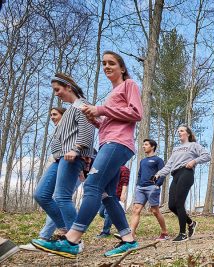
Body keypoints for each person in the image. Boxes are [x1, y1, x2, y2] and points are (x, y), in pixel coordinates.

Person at [32, 51, 143, 258]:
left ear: (122, 68)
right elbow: (111, 122)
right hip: (108, 141)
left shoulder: (130, 85)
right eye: (104, 64)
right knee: (107, 195)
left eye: (112, 63)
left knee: (92, 186)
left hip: (118, 143)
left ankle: (72, 240)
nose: (107, 67)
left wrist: (100, 109)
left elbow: (137, 113)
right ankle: (128, 239)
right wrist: (96, 121)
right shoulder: (112, 93)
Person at [32, 74, 95, 242]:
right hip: (59, 159)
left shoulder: (82, 105)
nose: (56, 94)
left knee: (62, 197)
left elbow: (88, 131)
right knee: (41, 194)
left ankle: (75, 241)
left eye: (57, 89)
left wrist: (77, 149)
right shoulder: (68, 111)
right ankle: (65, 230)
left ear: (68, 87)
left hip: (71, 158)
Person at [154, 126, 210, 242]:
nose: (179, 132)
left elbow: (207, 156)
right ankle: (191, 223)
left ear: (188, 134)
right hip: (175, 174)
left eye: (182, 130)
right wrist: (158, 174)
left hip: (186, 172)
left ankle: (182, 233)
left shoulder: (194, 145)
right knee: (171, 205)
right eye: (178, 131)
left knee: (179, 202)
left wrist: (194, 161)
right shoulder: (176, 149)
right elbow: (169, 165)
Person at [130, 139, 169, 241]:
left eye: (146, 145)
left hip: (152, 187)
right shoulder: (142, 161)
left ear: (152, 147)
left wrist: (157, 185)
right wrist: (138, 185)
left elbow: (163, 173)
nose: (143, 146)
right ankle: (131, 234)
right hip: (140, 188)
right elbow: (139, 174)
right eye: (143, 145)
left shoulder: (158, 160)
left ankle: (164, 232)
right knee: (136, 210)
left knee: (155, 211)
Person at [97, 165, 130, 238]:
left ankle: (105, 232)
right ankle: (118, 219)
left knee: (107, 213)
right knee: (102, 213)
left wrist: (123, 194)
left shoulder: (124, 169)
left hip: (115, 193)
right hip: (106, 193)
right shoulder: (112, 167)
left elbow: (125, 182)